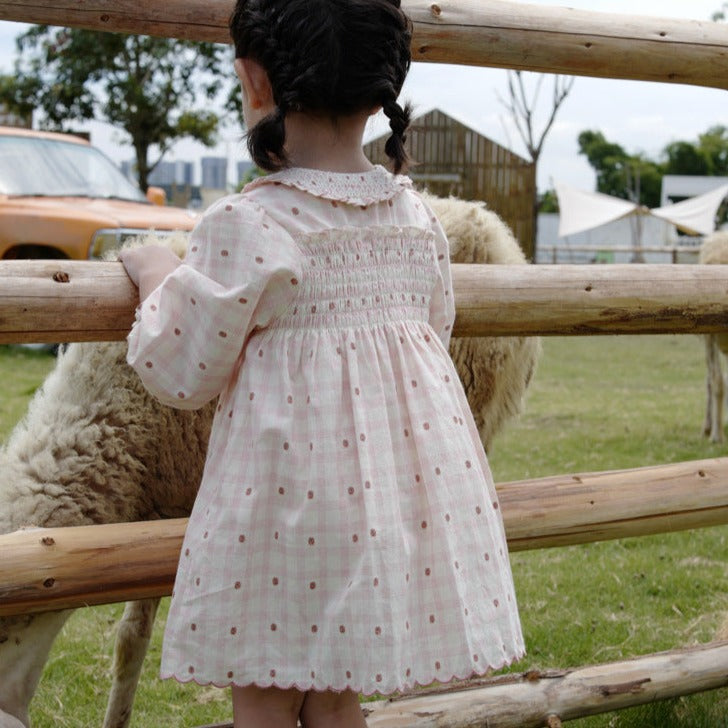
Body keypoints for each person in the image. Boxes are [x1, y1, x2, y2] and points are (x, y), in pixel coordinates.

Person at [120, 0, 524, 725]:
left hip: (279, 510)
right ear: (383, 91)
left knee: (266, 696)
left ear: (254, 81)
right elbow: (435, 327)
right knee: (338, 696)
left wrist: (155, 274)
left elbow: (183, 367)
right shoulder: (414, 220)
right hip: (378, 504)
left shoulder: (251, 223)